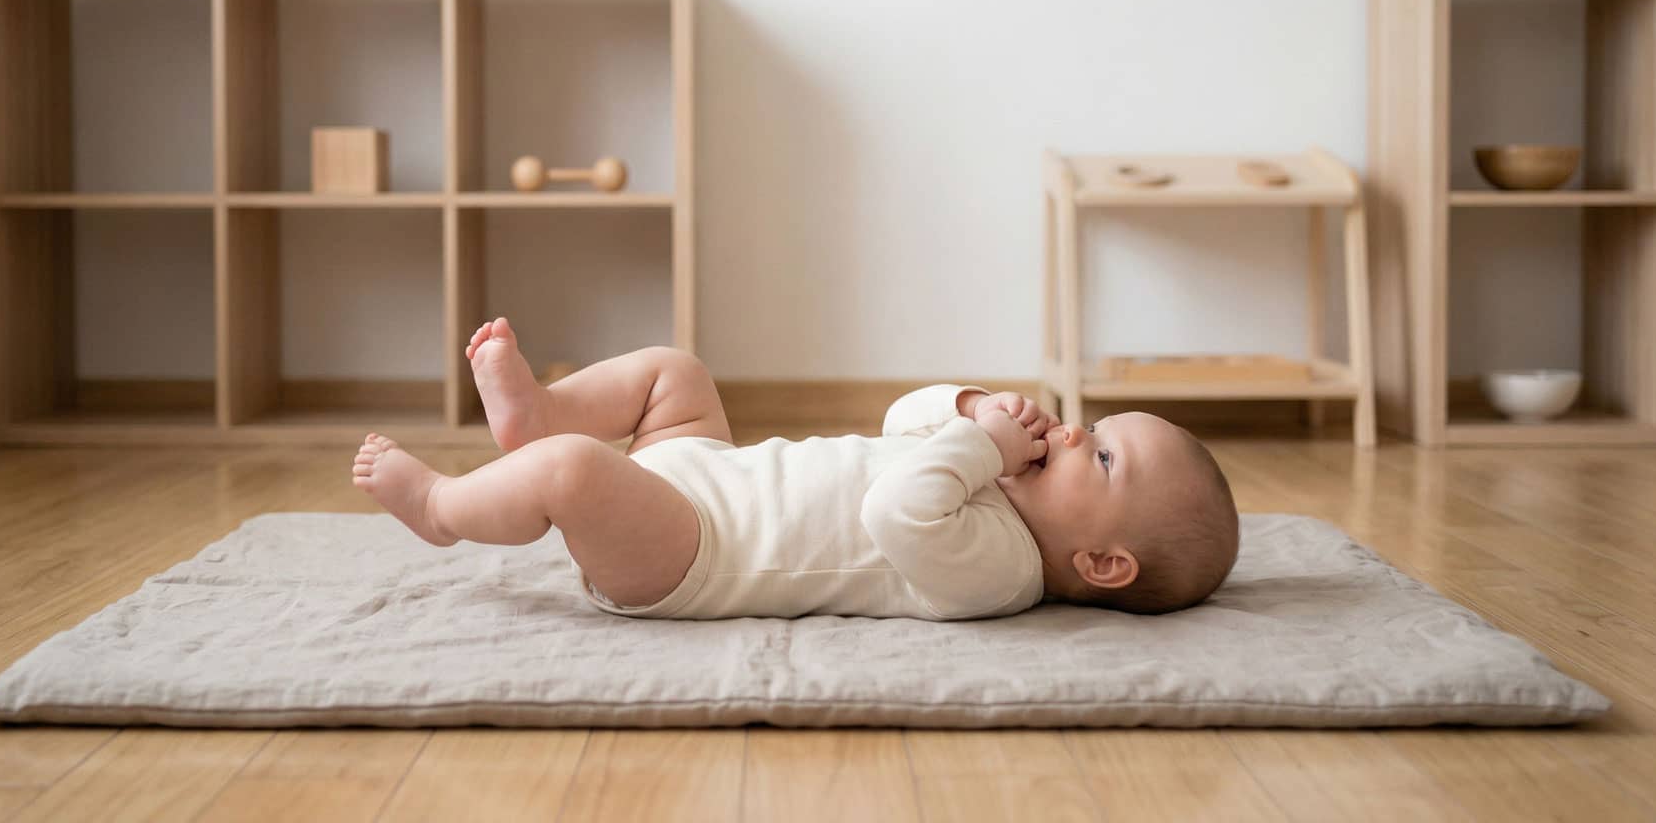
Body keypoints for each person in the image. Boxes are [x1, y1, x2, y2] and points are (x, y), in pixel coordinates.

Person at [353, 318, 1238, 620]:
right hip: (712, 474)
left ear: (1102, 562)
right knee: (676, 374)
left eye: (1104, 455)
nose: (1074, 435)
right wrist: (971, 410)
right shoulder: (992, 469)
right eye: (1093, 426)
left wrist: (982, 448)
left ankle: (442, 506)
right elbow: (898, 424)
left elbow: (896, 510)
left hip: (691, 556)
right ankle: (539, 416)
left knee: (576, 472)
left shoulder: (1003, 573)